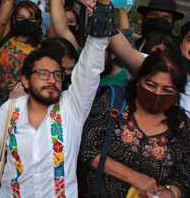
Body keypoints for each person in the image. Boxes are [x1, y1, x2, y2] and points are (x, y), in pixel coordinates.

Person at [0, 0, 117, 197]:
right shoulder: (10, 110)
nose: (51, 79)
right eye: (43, 73)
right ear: (25, 79)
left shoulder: (72, 108)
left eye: (57, 74)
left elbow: (90, 66)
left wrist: (103, 6)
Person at [78, 51, 190, 198]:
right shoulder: (114, 103)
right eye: (151, 85)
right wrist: (133, 177)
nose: (157, 93)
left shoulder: (181, 125)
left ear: (177, 93)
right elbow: (87, 149)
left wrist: (171, 192)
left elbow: (185, 176)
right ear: (139, 80)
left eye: (167, 90)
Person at [0, 0, 42, 99]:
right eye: (21, 18)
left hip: (16, 102)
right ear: (14, 19)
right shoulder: (5, 37)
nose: (26, 21)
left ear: (37, 22)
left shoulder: (39, 50)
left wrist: (26, 84)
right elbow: (2, 20)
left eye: (31, 18)